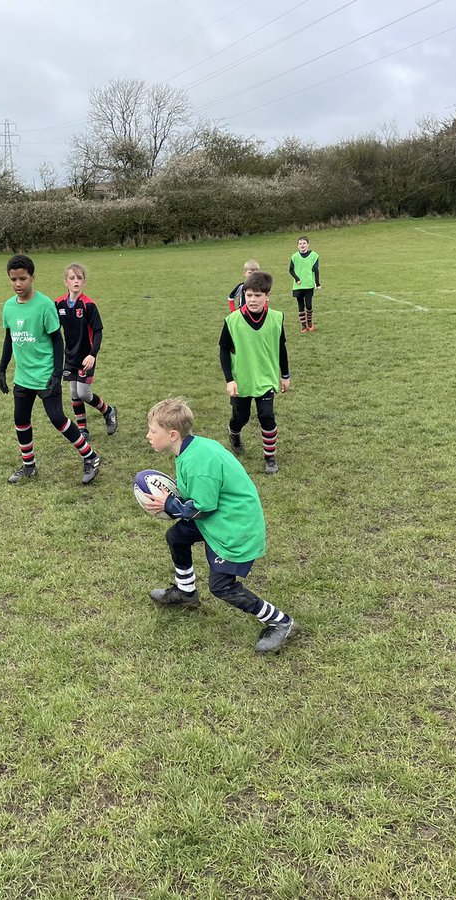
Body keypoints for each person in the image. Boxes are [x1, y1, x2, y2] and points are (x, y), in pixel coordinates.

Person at [140, 397, 298, 654]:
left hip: (233, 527)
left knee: (221, 586)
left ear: (172, 434)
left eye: (152, 431)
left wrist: (169, 504)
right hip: (219, 517)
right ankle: (186, 591)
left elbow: (202, 508)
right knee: (177, 536)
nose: (148, 435)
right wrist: (173, 502)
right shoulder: (190, 449)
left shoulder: (198, 461)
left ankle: (281, 622)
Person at [0, 254, 101, 485]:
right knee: (20, 420)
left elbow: (57, 341)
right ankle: (28, 466)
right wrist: (2, 369)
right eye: (13, 279)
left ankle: (91, 457)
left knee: (58, 419)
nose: (18, 284)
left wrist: (56, 373)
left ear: (32, 277)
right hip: (22, 377)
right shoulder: (8, 307)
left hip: (45, 375)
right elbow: (9, 338)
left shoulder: (45, 305)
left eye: (22, 278)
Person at [220, 270, 290, 476]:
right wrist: (229, 379)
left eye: (257, 296)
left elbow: (281, 347)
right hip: (242, 380)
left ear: (267, 296)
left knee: (266, 416)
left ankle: (270, 458)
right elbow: (224, 349)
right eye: (249, 295)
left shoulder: (277, 318)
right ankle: (234, 434)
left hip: (266, 378)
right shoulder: (232, 320)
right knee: (240, 418)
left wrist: (285, 375)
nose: (252, 300)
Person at [55, 262, 118, 439]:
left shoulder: (89, 305)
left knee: (83, 393)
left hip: (86, 357)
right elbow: (53, 329)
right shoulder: (58, 304)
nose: (76, 281)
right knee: (74, 393)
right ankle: (83, 429)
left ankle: (108, 411)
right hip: (70, 356)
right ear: (65, 282)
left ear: (84, 282)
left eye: (79, 278)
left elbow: (98, 331)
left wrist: (93, 354)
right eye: (72, 278)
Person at [289, 236, 320, 333]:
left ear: (308, 244)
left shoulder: (314, 255)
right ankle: (303, 325)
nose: (302, 245)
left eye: (304, 243)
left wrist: (317, 282)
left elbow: (316, 270)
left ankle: (310, 322)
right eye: (300, 243)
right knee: (300, 305)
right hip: (298, 286)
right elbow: (290, 270)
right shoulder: (294, 256)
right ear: (298, 246)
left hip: (309, 284)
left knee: (309, 305)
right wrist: (297, 279)